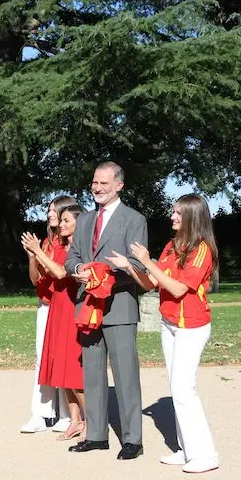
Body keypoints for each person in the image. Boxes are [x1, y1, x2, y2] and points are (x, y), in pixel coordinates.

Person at [108, 194, 220, 473]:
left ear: (192, 217)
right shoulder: (172, 246)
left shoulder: (202, 249)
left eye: (179, 213)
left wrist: (148, 261)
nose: (173, 216)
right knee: (177, 387)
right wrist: (130, 267)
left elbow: (180, 289)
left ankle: (206, 455)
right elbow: (152, 284)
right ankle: (187, 450)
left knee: (184, 389)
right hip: (169, 323)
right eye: (174, 212)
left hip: (191, 326)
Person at [64, 161, 148, 460]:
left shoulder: (134, 220)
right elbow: (71, 258)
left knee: (126, 374)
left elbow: (137, 266)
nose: (97, 188)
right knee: (92, 374)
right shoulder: (84, 220)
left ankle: (132, 440)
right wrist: (78, 269)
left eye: (104, 183)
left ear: (119, 185)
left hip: (119, 307)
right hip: (88, 306)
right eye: (95, 183)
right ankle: (97, 435)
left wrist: (102, 273)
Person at [22, 203, 88, 441]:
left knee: (72, 368)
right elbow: (41, 277)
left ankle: (92, 422)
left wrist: (37, 251)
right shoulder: (60, 246)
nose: (60, 225)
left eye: (66, 221)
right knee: (60, 365)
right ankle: (75, 420)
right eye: (61, 221)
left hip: (72, 308)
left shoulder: (80, 249)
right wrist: (35, 255)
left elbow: (62, 273)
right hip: (57, 308)